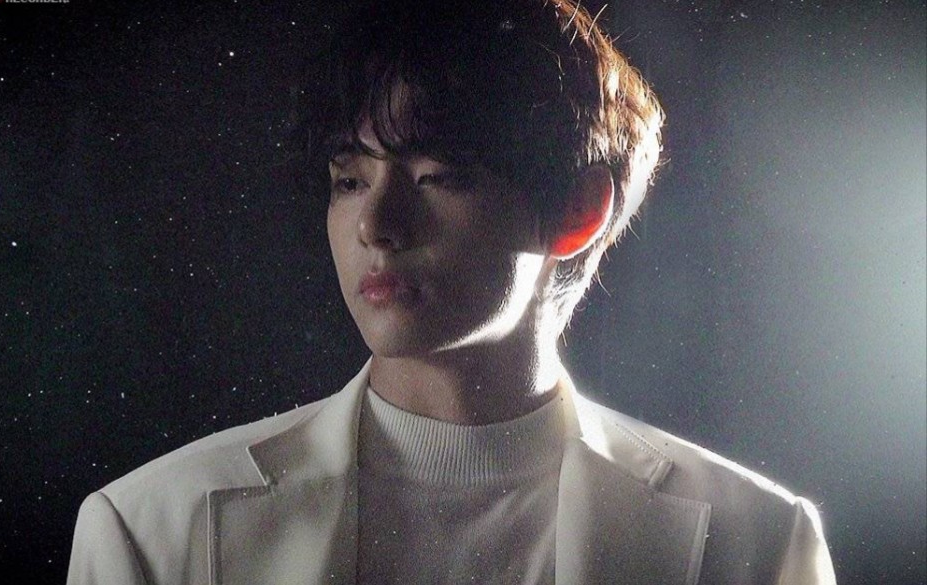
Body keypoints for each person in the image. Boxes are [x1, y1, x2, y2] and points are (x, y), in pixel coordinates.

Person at [67, 1, 837, 583]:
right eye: (349, 179)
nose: (376, 225)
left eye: (438, 175)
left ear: (579, 211)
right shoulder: (151, 529)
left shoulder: (759, 542)